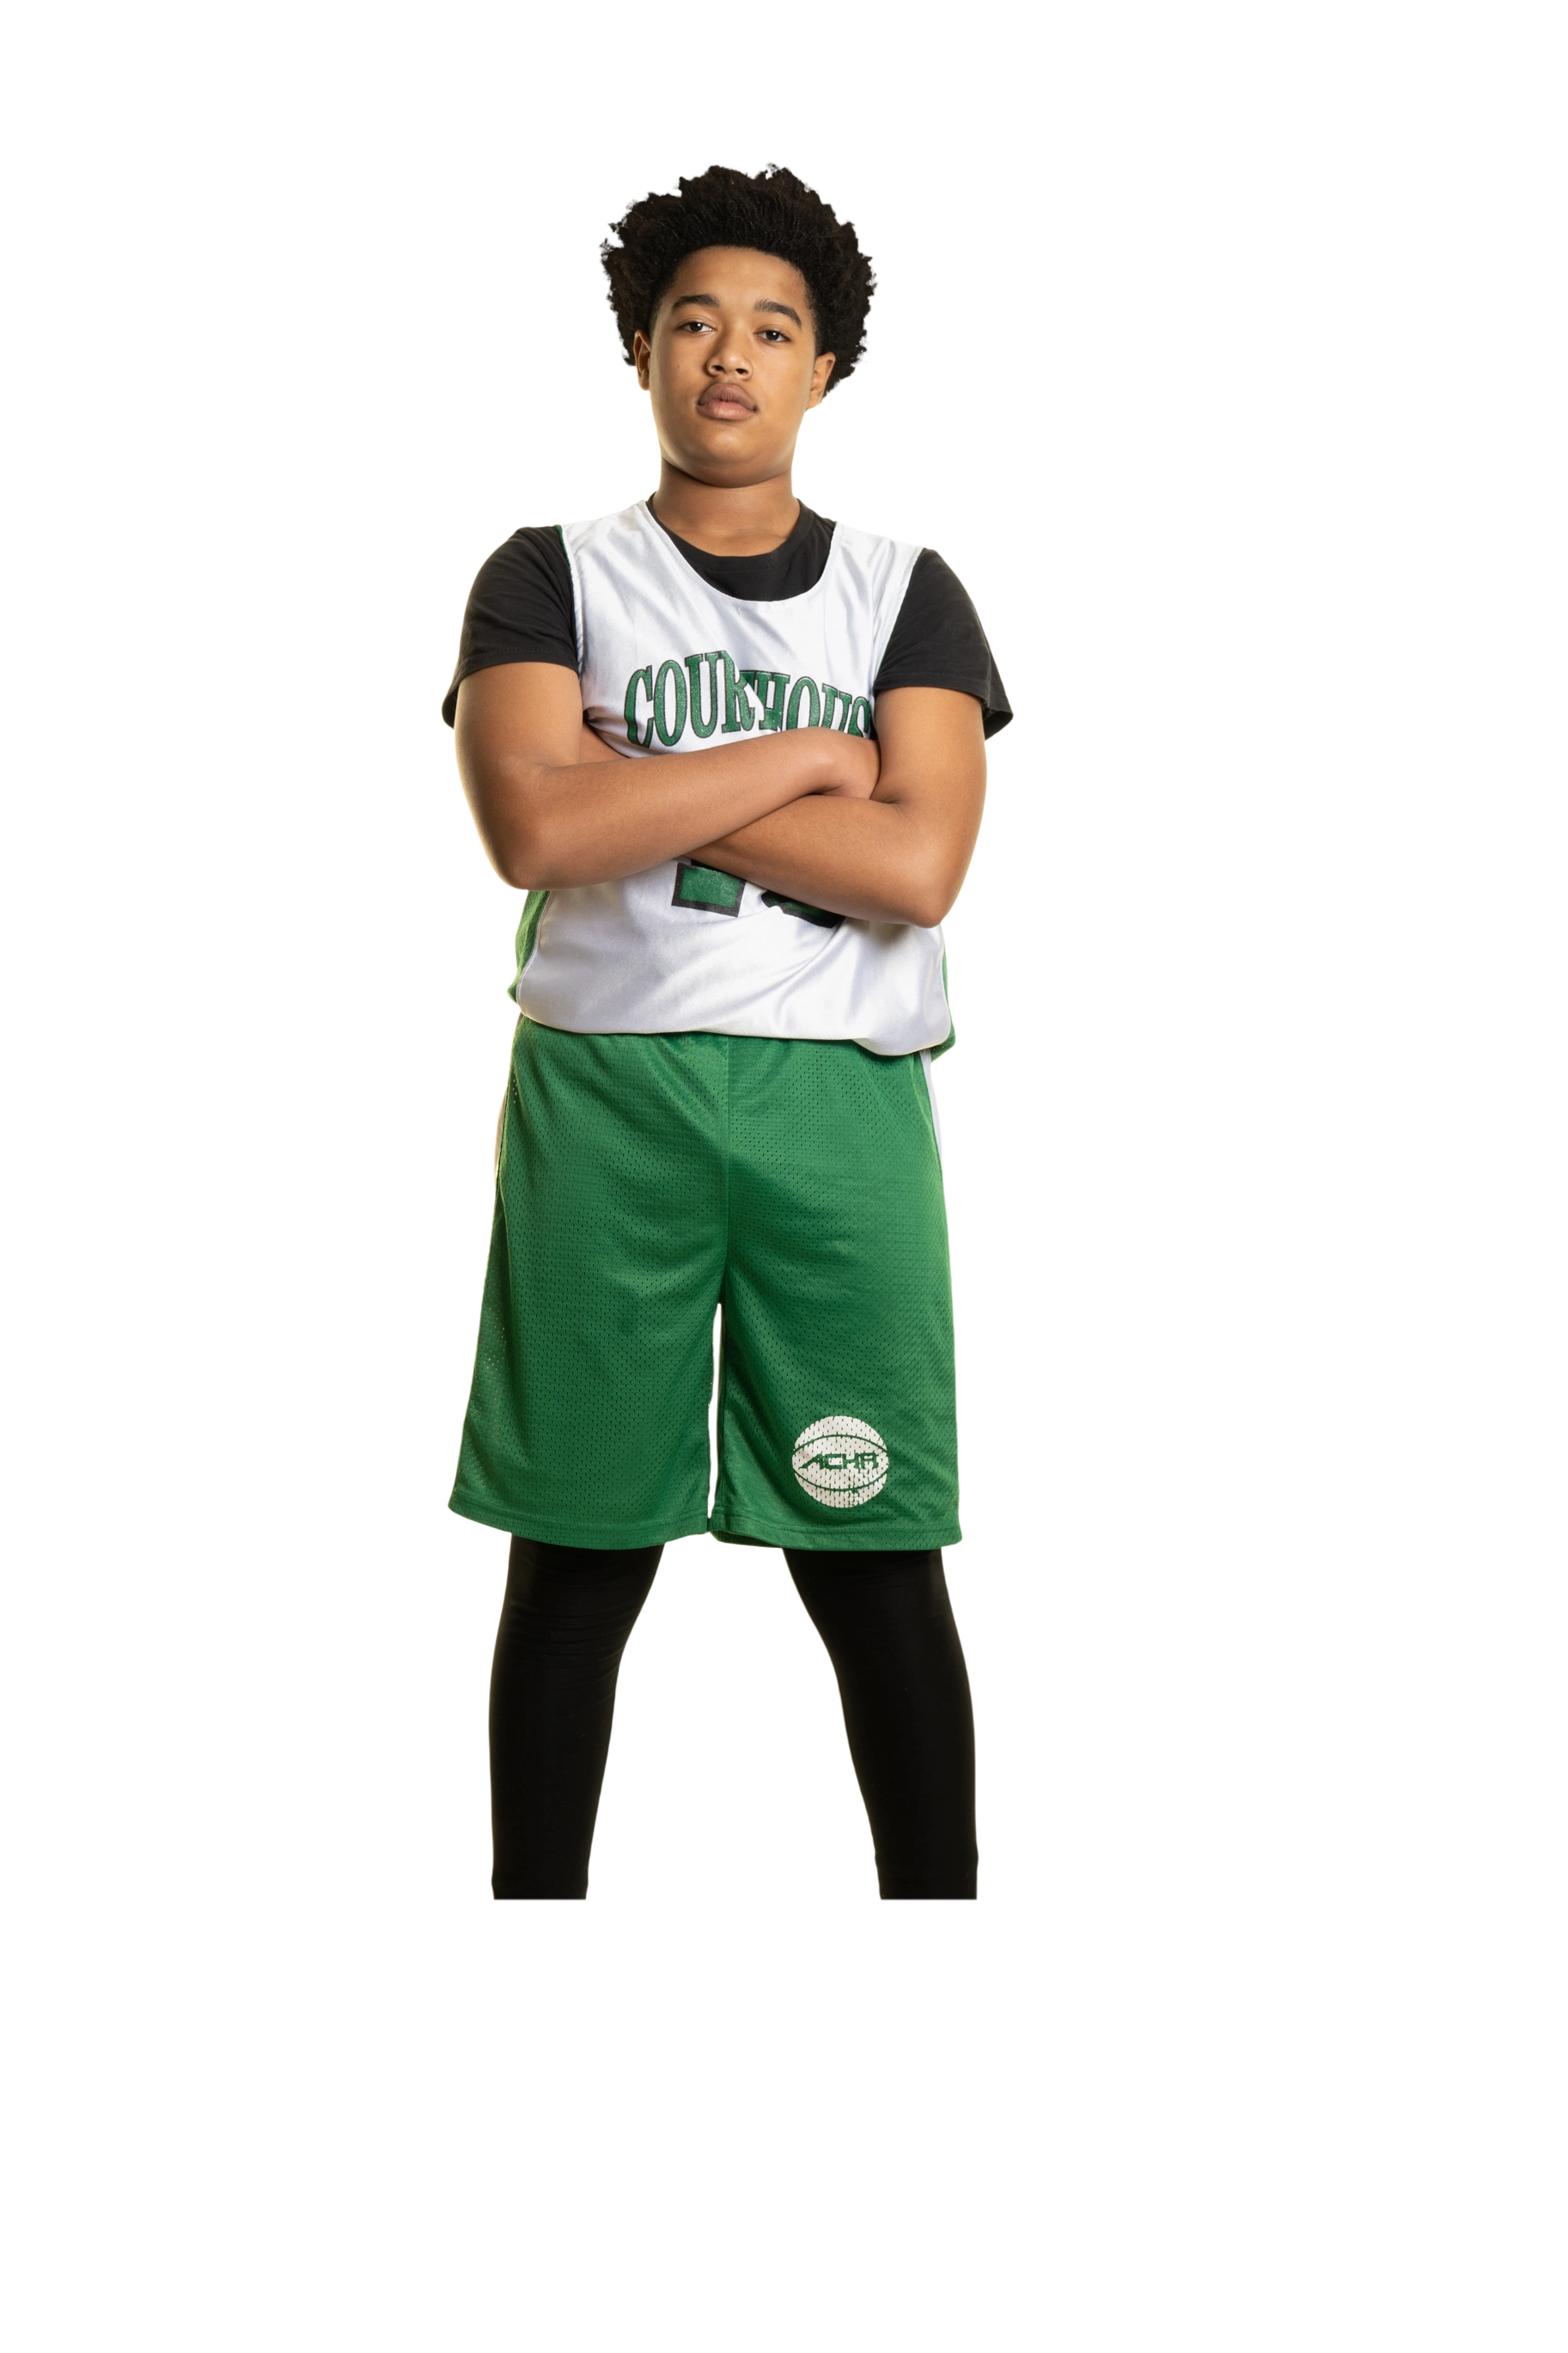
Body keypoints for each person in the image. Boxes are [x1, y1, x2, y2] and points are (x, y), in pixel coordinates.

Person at [443, 161, 1013, 1901]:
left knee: (876, 1553)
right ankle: (528, 1940)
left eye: (773, 328)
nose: (729, 355)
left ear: (823, 371)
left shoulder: (906, 592)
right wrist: (813, 758)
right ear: (640, 348)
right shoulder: (548, 576)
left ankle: (943, 1934)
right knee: (577, 1553)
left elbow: (917, 865)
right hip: (603, 1098)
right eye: (693, 321)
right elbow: (534, 829)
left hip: (842, 1110)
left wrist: (647, 787)